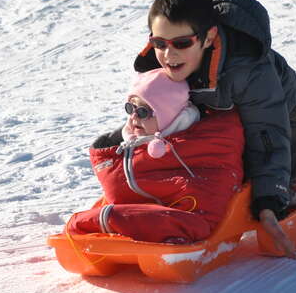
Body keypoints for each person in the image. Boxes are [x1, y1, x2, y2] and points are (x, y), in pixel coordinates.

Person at [95, 0, 296, 258]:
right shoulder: (158, 61)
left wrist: (269, 199)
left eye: (182, 43)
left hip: (275, 120)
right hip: (211, 122)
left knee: (269, 171)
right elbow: (152, 115)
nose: (168, 55)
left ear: (208, 38)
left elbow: (268, 133)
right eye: (159, 43)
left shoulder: (248, 70)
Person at [66, 68, 245, 244]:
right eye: (130, 108)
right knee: (90, 220)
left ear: (169, 114)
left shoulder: (201, 148)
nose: (134, 116)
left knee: (85, 222)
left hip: (182, 220)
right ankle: (110, 221)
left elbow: (200, 217)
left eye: (144, 111)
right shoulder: (128, 148)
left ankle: (109, 221)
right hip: (144, 215)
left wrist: (109, 219)